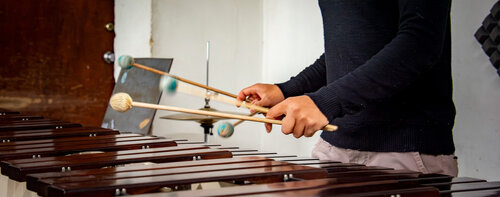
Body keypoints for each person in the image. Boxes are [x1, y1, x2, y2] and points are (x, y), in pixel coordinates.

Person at [236, 0, 458, 177]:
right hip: (336, 147)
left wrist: (325, 102)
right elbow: (345, 53)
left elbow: (419, 44)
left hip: (403, 152)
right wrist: (285, 90)